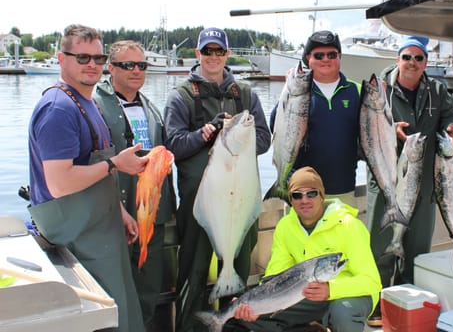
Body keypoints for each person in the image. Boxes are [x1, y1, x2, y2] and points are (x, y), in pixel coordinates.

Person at [27, 24, 146, 332]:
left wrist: (119, 212)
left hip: (102, 233)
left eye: (97, 57)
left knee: (123, 314)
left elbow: (93, 167)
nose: (92, 64)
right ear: (61, 59)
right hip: (78, 241)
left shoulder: (88, 104)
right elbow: (59, 183)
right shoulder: (58, 109)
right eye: (82, 57)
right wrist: (115, 165)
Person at [163, 27, 271, 332]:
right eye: (207, 51)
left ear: (226, 54)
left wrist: (240, 134)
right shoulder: (181, 95)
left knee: (238, 272)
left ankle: (233, 327)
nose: (213, 57)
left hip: (240, 201)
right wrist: (204, 134)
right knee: (194, 275)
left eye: (219, 51)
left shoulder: (246, 94)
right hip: (202, 205)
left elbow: (264, 138)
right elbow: (173, 144)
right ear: (198, 55)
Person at [366, 35, 453, 324]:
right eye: (407, 57)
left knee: (418, 249)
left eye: (418, 58)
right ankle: (378, 302)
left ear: (425, 62)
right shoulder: (378, 89)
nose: (412, 63)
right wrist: (390, 130)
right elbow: (366, 127)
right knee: (382, 246)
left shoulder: (437, 89)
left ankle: (410, 305)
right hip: (385, 183)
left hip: (424, 186)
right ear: (397, 58)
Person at [226, 166, 381, 332]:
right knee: (236, 321)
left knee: (342, 314)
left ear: (322, 195)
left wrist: (331, 289)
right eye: (297, 195)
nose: (304, 200)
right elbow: (274, 276)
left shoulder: (350, 226)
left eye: (311, 193)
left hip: (349, 294)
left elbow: (371, 282)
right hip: (305, 294)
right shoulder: (285, 226)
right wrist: (256, 305)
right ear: (290, 200)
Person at [94, 40, 177, 327]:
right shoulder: (95, 107)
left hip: (153, 215)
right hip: (116, 216)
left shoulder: (150, 107)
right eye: (127, 65)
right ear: (111, 68)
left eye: (141, 65)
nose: (136, 71)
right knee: (116, 293)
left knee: (148, 289)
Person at [270, 30, 361, 203]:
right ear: (308, 59)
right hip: (301, 191)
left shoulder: (357, 91)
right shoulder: (296, 90)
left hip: (343, 188)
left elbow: (373, 132)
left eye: (331, 54)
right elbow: (275, 125)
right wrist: (287, 91)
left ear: (340, 56)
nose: (325, 59)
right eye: (318, 55)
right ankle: (280, 186)